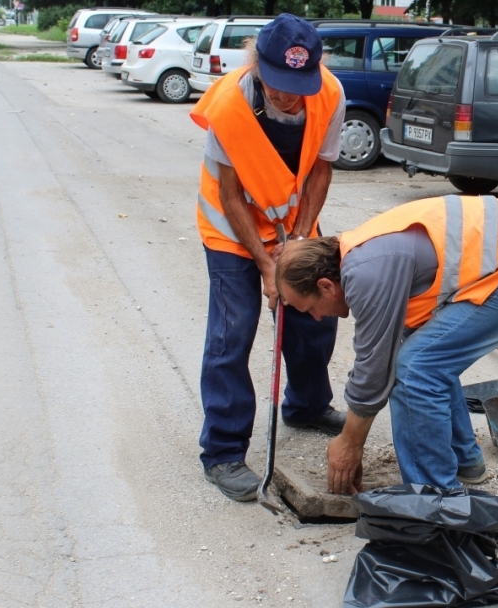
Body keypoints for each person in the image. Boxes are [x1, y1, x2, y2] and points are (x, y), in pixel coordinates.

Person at [275, 195, 498, 494]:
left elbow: (374, 368)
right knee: (422, 351)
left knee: (415, 367)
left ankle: (432, 498)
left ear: (326, 286)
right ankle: (463, 460)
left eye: (309, 308)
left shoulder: (366, 272)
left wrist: (350, 443)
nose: (315, 318)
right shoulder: (359, 254)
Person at [189, 14, 347, 502]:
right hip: (232, 232)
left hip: (292, 225)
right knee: (232, 331)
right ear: (257, 66)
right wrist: (265, 265)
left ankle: (305, 405)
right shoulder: (228, 106)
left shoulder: (330, 94)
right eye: (277, 86)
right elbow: (231, 194)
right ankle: (222, 450)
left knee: (315, 318)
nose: (287, 97)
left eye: (297, 86)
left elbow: (321, 172)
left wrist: (298, 241)